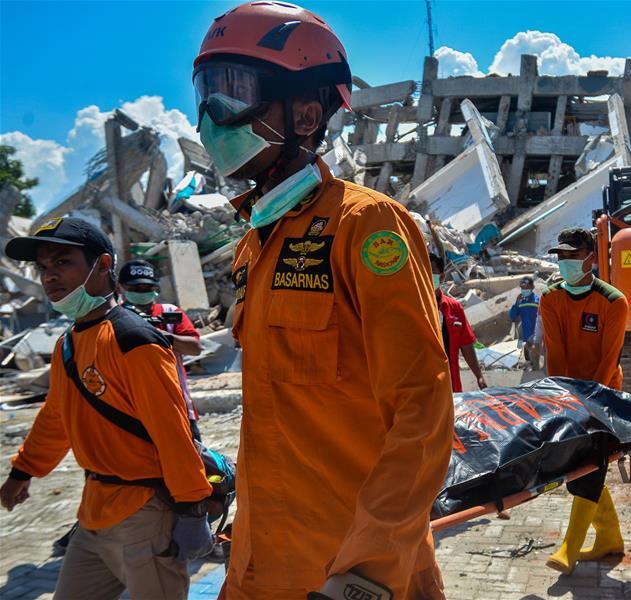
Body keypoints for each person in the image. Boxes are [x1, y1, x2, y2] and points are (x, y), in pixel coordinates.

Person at [192, 3, 454, 598]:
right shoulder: (254, 245)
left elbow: (423, 408)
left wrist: (367, 573)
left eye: (232, 93)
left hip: (349, 569)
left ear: (307, 113)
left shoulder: (366, 226)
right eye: (206, 94)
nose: (212, 118)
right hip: (261, 564)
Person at [0, 217, 213, 599]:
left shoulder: (133, 339)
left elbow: (173, 431)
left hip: (145, 513)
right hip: (94, 512)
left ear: (101, 265)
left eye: (63, 263)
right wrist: (24, 470)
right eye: (43, 267)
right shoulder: (68, 342)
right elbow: (57, 416)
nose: (49, 277)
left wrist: (193, 509)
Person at [539, 227, 627, 575]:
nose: (566, 263)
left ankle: (569, 547)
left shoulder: (612, 301)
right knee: (577, 470)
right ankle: (610, 538)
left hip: (603, 397)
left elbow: (609, 360)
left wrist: (591, 402)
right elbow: (555, 352)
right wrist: (560, 398)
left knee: (589, 468)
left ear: (590, 257)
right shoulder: (550, 297)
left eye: (573, 256)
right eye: (561, 257)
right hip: (566, 394)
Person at [119, 259, 204, 441]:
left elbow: (195, 348)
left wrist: (162, 336)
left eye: (146, 288)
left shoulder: (169, 312)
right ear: (121, 288)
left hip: (178, 406)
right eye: (136, 289)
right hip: (133, 411)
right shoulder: (115, 319)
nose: (142, 293)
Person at [431, 253, 488, 392]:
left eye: (432, 272)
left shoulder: (453, 307)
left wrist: (479, 376)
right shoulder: (413, 307)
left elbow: (466, 344)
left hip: (451, 384)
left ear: (442, 277)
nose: (427, 276)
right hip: (423, 386)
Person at [509, 275, 541, 370]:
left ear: (532, 288)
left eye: (527, 287)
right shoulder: (521, 302)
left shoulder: (538, 301)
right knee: (528, 362)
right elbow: (513, 316)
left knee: (536, 363)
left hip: (536, 338)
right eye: (522, 288)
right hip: (526, 338)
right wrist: (516, 302)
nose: (524, 290)